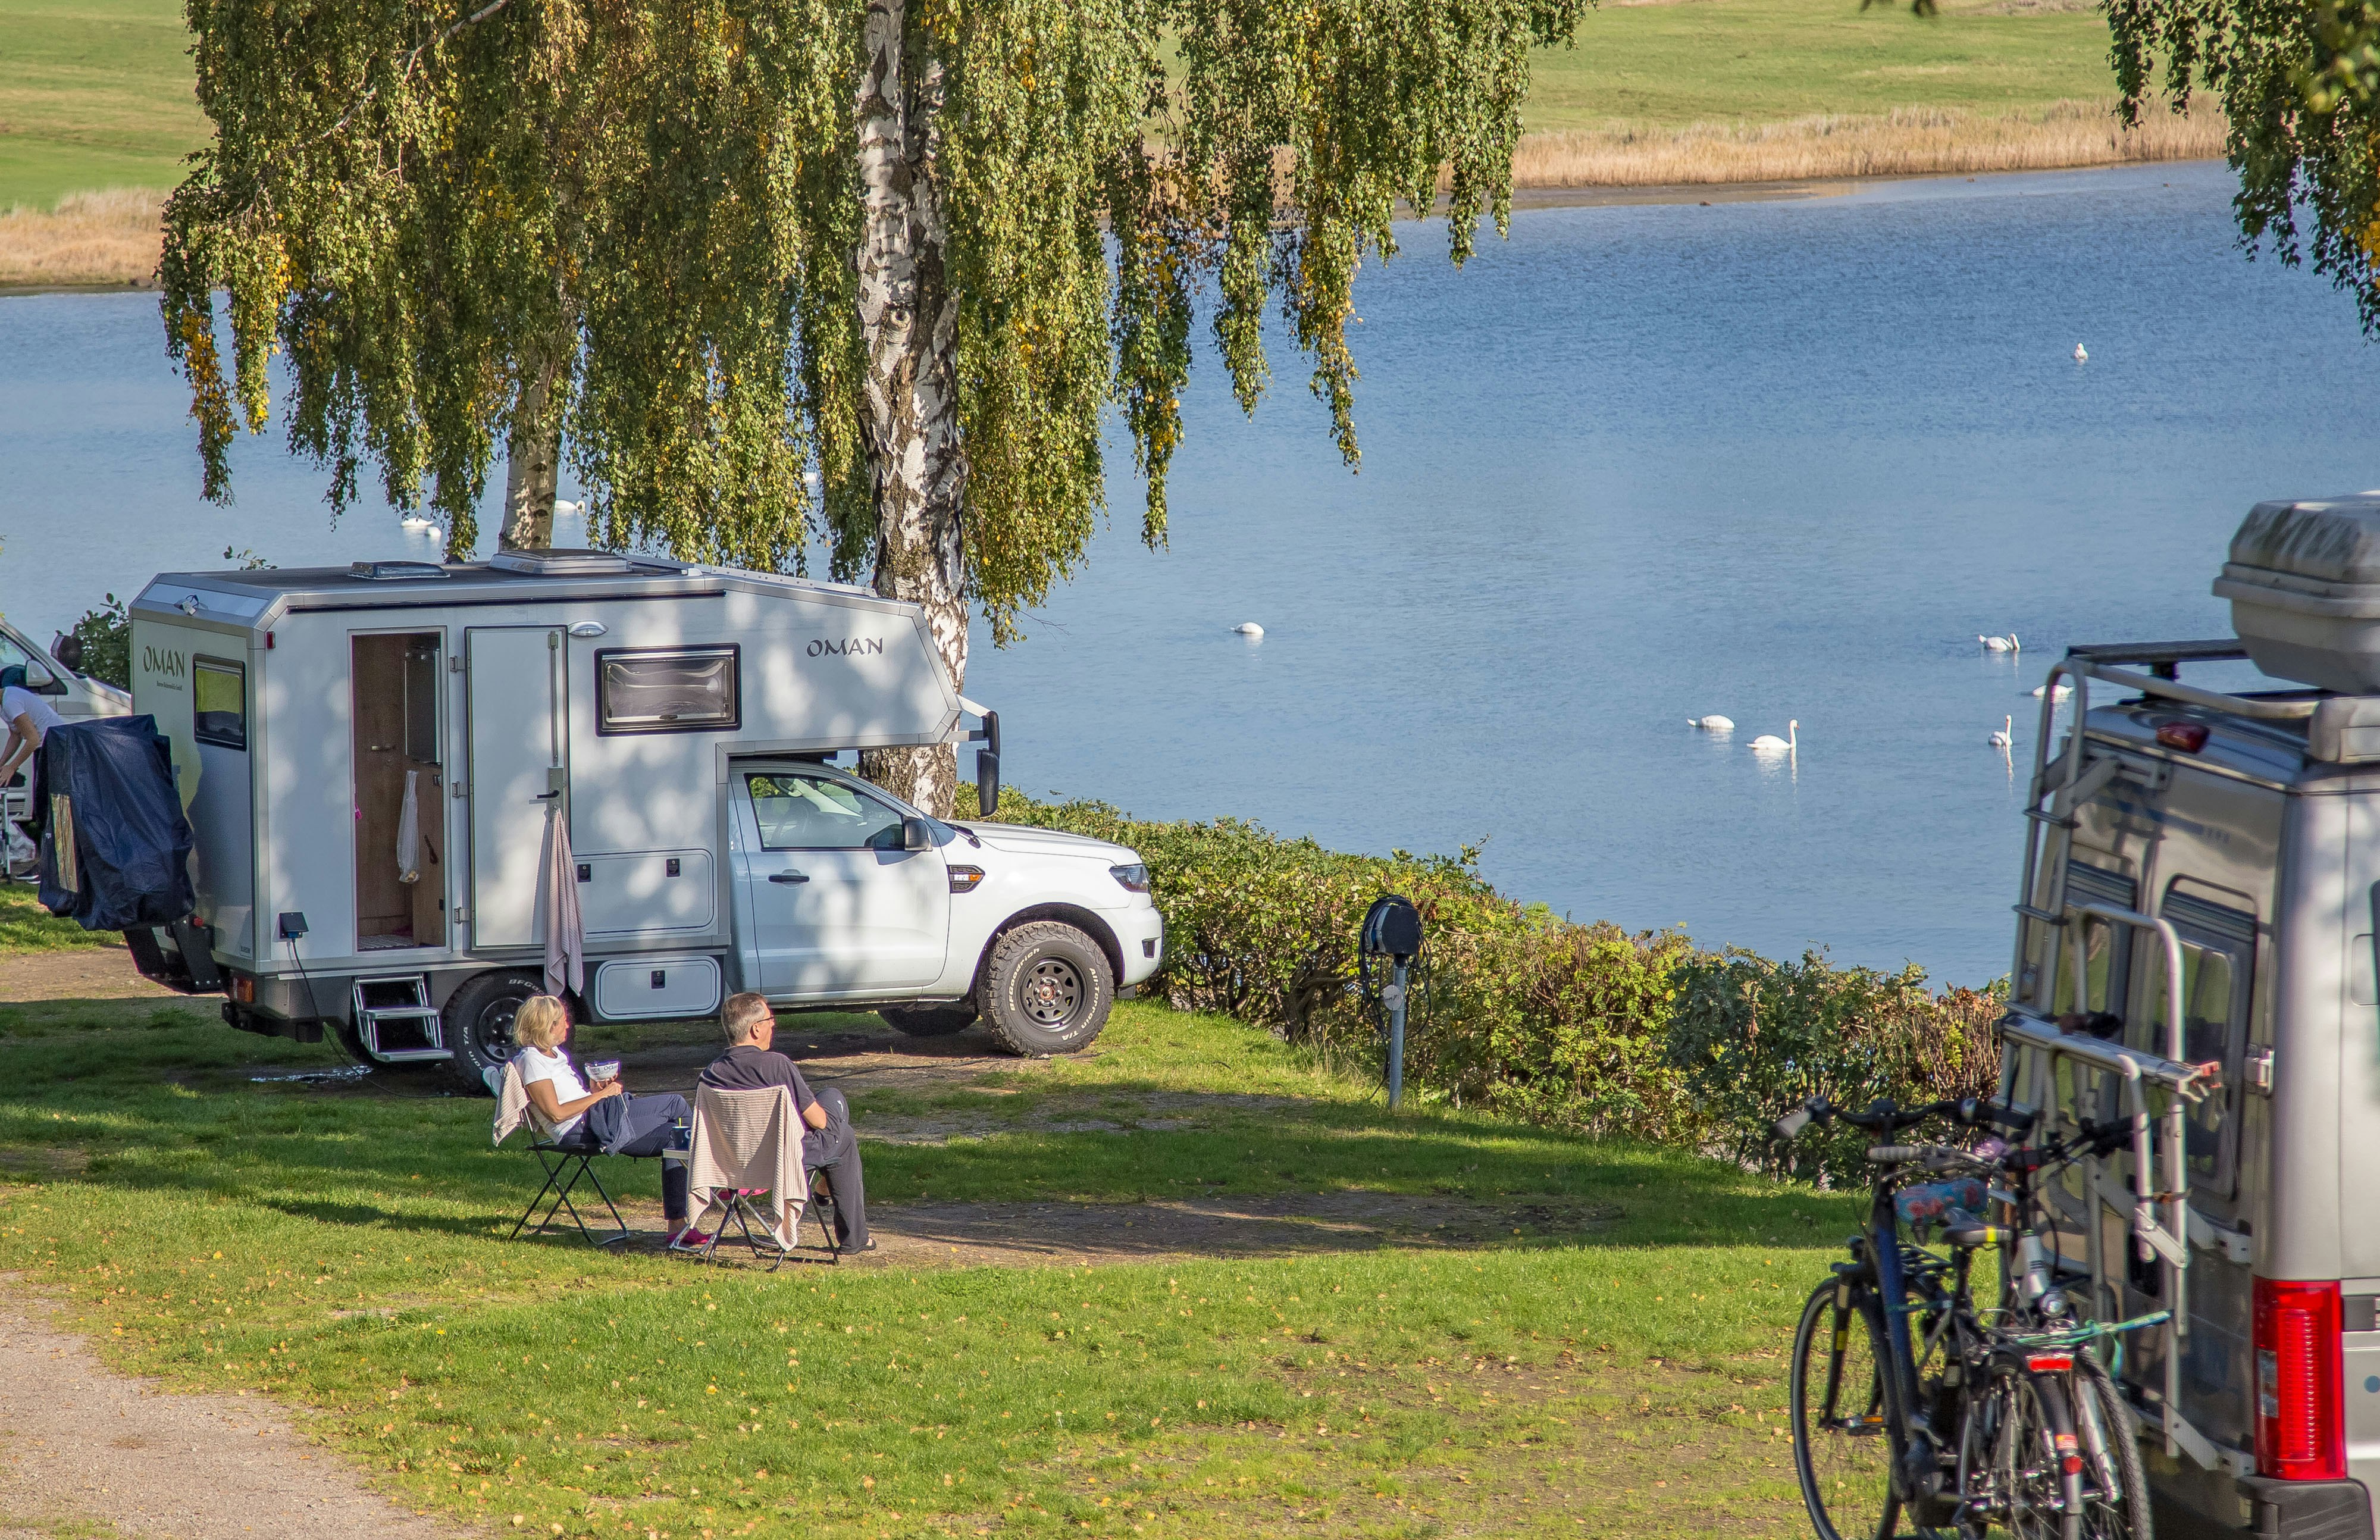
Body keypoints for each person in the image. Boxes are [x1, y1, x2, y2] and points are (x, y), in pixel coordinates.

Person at [511, 994, 706, 1248]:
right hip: (581, 1130)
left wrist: (594, 1092)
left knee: (675, 1136)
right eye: (563, 1021)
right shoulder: (531, 1060)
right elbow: (556, 1113)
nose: (568, 1025)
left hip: (594, 1121)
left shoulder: (554, 1054)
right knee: (675, 1104)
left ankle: (678, 1225)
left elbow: (573, 1101)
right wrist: (602, 1096)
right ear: (547, 1026)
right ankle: (715, 1178)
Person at [698, 991, 872, 1251]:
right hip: (782, 1161)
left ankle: (830, 1195)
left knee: (833, 1114)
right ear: (756, 1029)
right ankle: (852, 1238)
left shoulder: (711, 1073)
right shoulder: (777, 1066)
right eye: (771, 1019)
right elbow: (820, 1121)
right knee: (840, 1126)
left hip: (732, 1162)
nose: (774, 1024)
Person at [0, 664, 66, 837]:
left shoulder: (10, 702)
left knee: (46, 801)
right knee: (42, 800)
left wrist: (12, 767)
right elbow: (16, 735)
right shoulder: (4, 702)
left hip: (54, 745)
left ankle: (52, 851)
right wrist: (2, 764)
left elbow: (33, 739)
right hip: (46, 745)